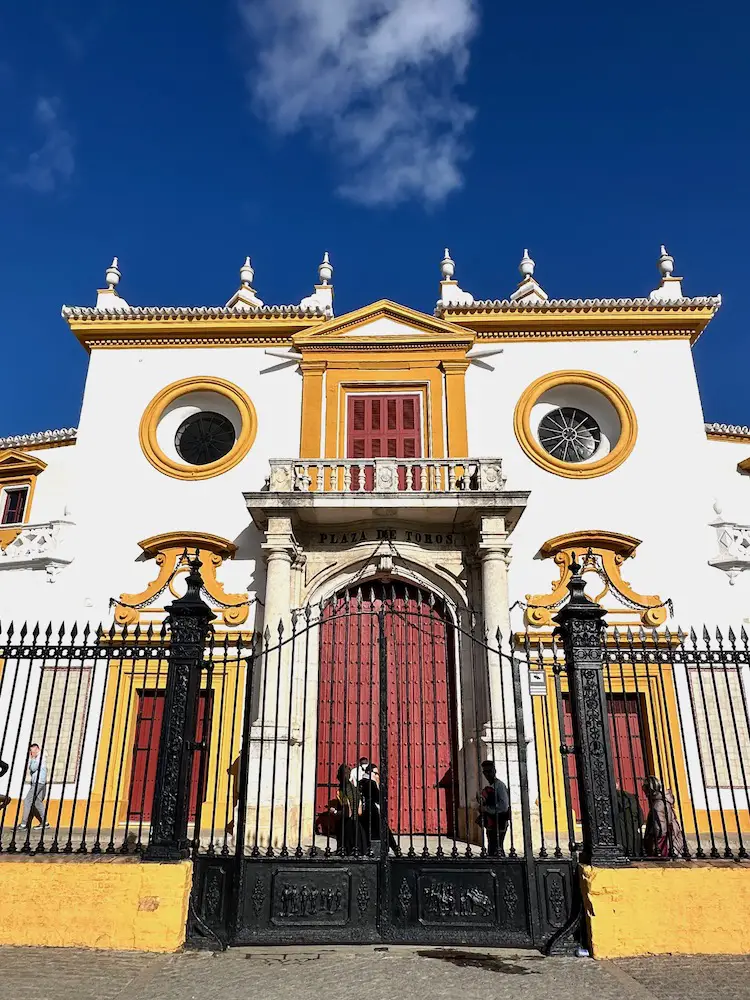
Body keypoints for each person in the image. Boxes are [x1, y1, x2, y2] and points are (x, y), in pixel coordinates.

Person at [358, 763, 399, 854]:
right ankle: (394, 848)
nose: (377, 775)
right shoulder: (371, 783)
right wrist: (377, 784)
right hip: (373, 810)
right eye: (375, 773)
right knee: (384, 830)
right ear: (369, 772)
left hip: (363, 811)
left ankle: (369, 850)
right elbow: (378, 798)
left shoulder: (360, 782)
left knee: (368, 832)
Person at [329, 763, 368, 855]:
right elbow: (359, 811)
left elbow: (347, 812)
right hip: (357, 824)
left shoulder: (342, 791)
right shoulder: (355, 789)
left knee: (346, 852)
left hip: (347, 825)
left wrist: (334, 811)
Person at [642, 775, 685, 857]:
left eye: (645, 789)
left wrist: (654, 842)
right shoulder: (663, 801)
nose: (645, 793)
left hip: (666, 842)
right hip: (672, 837)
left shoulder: (658, 805)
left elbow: (660, 828)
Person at [477, 760, 510, 856]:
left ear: (494, 771)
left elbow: (504, 806)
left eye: (489, 771)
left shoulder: (499, 786)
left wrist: (486, 809)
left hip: (499, 822)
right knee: (492, 847)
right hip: (491, 822)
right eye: (485, 772)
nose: (487, 774)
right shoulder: (490, 786)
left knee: (497, 848)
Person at [615, 780, 643, 857]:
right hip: (634, 837)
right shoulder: (631, 798)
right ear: (617, 784)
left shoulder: (609, 800)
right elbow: (641, 818)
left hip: (620, 842)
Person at [22, 744, 48, 829]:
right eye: (31, 751)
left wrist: (32, 758)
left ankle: (23, 824)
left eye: (34, 750)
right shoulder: (39, 757)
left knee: (27, 801)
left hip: (38, 782)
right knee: (37, 801)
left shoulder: (39, 758)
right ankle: (45, 823)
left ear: (38, 749)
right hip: (40, 782)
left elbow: (32, 768)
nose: (32, 752)